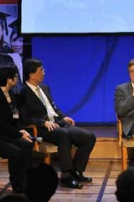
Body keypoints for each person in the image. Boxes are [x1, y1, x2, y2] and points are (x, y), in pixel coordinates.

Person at [20, 58, 96, 189]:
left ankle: (77, 171)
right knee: (64, 134)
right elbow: (25, 118)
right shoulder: (22, 92)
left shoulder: (44, 87)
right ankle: (66, 176)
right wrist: (43, 122)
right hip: (42, 128)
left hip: (58, 123)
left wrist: (64, 117)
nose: (44, 72)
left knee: (89, 137)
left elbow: (53, 108)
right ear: (32, 75)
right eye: (41, 70)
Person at [0, 65, 34, 194]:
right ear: (9, 79)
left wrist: (21, 131)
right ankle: (16, 182)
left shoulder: (10, 94)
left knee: (27, 144)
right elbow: (0, 125)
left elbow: (15, 118)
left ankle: (25, 181)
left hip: (8, 135)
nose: (17, 79)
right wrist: (18, 134)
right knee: (16, 152)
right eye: (15, 76)